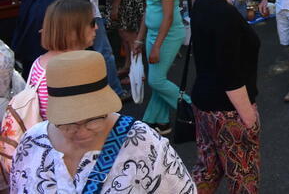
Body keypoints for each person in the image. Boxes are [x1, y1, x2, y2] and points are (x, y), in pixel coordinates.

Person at [8, 50, 195, 193]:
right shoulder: (31, 144)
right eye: (68, 122)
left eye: (92, 119)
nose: (81, 131)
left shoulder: (144, 144)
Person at [191, 0, 261, 192]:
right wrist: (249, 116)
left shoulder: (201, 3)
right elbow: (230, 74)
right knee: (244, 178)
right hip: (228, 111)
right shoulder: (225, 14)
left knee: (208, 170)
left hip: (203, 104)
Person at [133, 0, 187, 135]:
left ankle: (192, 109)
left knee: (156, 80)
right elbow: (147, 11)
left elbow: (168, 17)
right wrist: (140, 39)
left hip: (169, 36)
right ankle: (161, 122)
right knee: (158, 79)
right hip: (153, 35)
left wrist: (156, 46)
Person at [26, 0, 97, 120]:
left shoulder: (39, 62)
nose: (96, 27)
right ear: (72, 31)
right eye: (92, 23)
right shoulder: (77, 68)